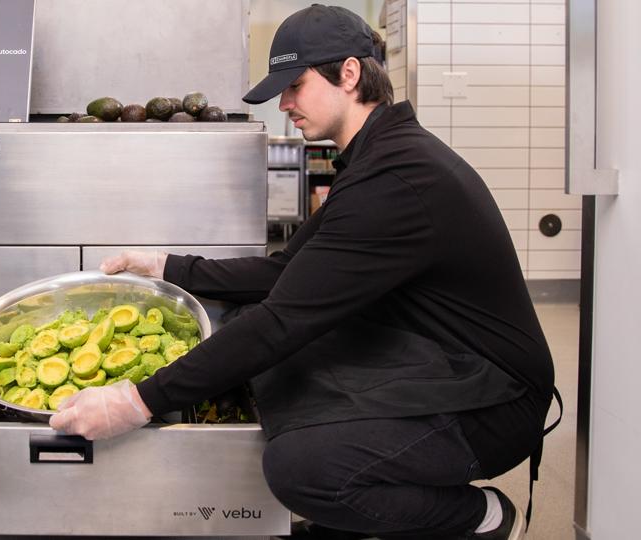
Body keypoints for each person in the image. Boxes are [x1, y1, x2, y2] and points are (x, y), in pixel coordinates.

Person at [50, 5, 557, 540]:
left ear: (350, 74)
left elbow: (282, 320)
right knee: (272, 359)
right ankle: (367, 507)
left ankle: (480, 517)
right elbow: (287, 272)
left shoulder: (398, 178)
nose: (284, 104)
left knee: (303, 468)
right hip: (429, 353)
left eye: (295, 85)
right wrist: (168, 267)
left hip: (494, 399)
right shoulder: (375, 157)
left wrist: (136, 401)